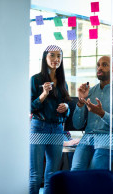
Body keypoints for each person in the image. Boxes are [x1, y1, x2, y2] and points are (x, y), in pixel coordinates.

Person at [71, 56, 113, 170]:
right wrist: (80, 103)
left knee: (95, 172)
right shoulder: (90, 92)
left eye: (104, 65)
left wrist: (102, 114)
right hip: (88, 137)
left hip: (110, 138)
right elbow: (77, 125)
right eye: (98, 65)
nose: (99, 68)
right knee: (75, 172)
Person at [30, 45, 71, 194]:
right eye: (52, 55)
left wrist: (66, 107)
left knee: (52, 176)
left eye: (59, 56)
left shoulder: (62, 82)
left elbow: (67, 111)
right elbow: (29, 107)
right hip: (39, 127)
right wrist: (43, 94)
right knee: (35, 175)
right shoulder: (35, 79)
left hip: (57, 129)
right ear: (45, 58)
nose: (56, 59)